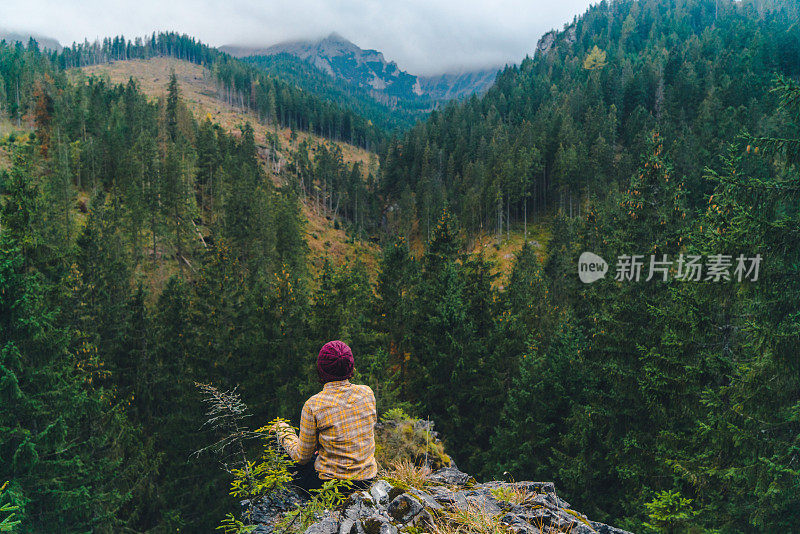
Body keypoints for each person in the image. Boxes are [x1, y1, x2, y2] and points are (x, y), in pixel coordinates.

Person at [275, 340, 377, 494]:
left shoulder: (314, 405)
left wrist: (283, 432)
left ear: (321, 369)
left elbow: (301, 457)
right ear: (351, 366)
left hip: (332, 487)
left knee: (283, 448)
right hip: (367, 480)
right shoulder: (367, 393)